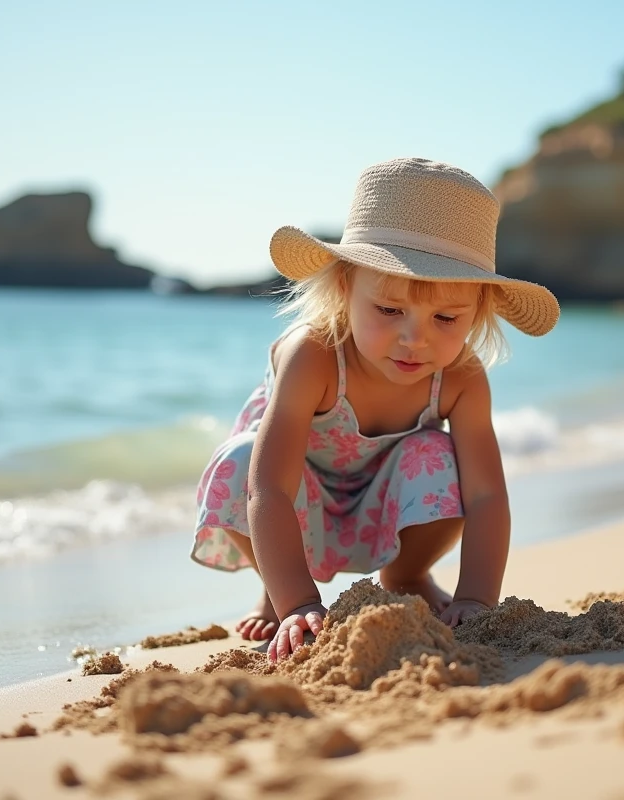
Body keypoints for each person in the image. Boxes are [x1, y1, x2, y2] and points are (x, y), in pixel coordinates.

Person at [191, 158, 560, 664]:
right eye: (390, 310)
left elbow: (487, 492)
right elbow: (268, 487)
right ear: (345, 287)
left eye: (446, 317)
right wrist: (299, 603)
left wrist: (477, 598)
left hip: (386, 505)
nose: (415, 338)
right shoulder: (314, 355)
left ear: (478, 312)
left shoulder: (462, 377)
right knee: (240, 460)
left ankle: (407, 574)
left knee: (437, 454)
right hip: (299, 502)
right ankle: (277, 591)